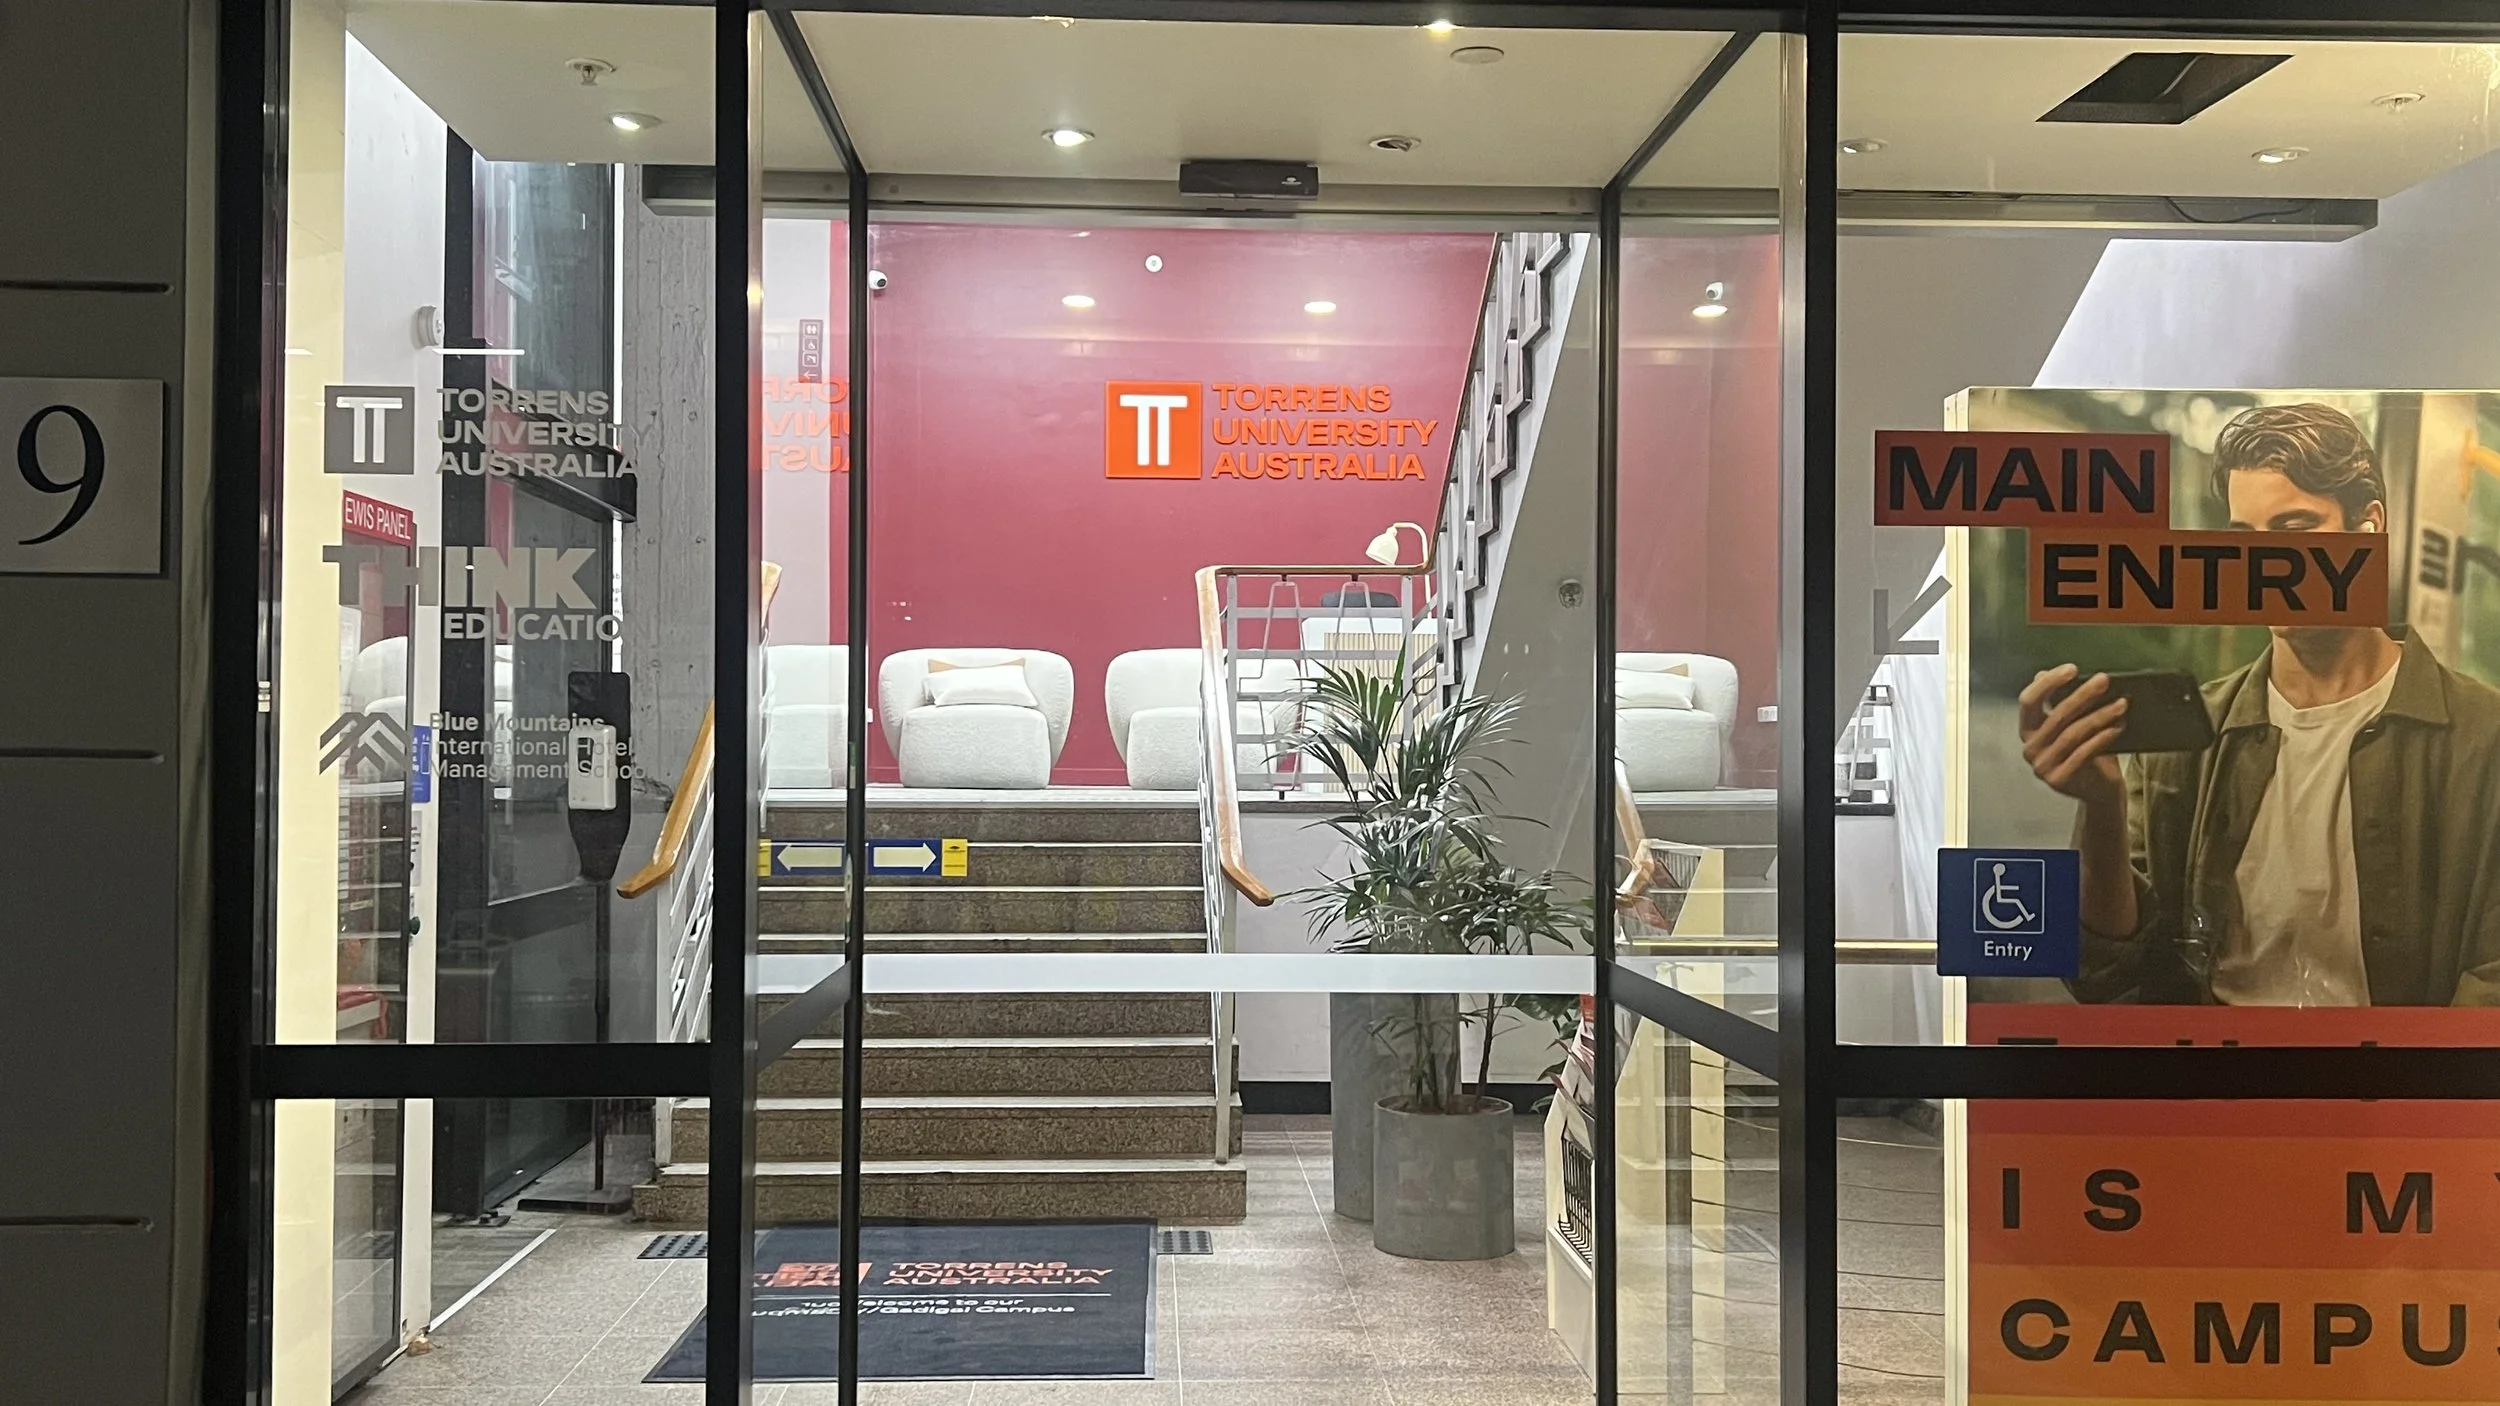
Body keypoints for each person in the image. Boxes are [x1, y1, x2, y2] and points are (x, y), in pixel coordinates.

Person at [2017, 401, 2500, 1005]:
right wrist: (2102, 810)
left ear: (2368, 528)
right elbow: (2104, 970)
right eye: (2245, 539)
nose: (2266, 563)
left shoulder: (2482, 739)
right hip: (2215, 1063)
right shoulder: (2186, 742)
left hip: (2394, 1066)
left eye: (2295, 530)